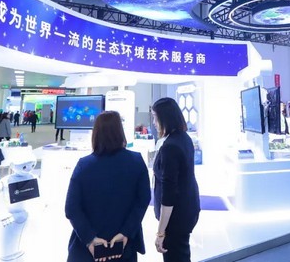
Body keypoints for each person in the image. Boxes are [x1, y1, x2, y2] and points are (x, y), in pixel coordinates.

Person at [65, 111, 150, 262]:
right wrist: (125, 232)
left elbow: (71, 209)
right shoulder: (136, 161)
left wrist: (90, 238)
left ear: (96, 134)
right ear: (120, 132)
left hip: (86, 252)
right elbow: (143, 201)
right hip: (124, 249)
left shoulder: (84, 165)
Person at [152, 98, 200, 262]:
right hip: (186, 210)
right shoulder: (183, 138)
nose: (154, 123)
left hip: (175, 218)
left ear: (165, 118)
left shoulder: (170, 147)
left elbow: (169, 193)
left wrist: (161, 232)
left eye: (155, 118)